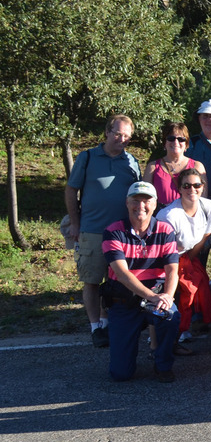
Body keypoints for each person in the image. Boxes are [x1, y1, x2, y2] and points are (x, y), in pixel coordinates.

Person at [66, 114, 141, 347]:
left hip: (122, 234)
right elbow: (71, 190)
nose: (122, 139)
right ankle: (95, 327)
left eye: (127, 136)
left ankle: (109, 322)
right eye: (118, 133)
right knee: (91, 280)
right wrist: (76, 223)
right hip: (92, 230)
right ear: (107, 132)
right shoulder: (87, 157)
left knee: (118, 280)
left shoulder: (132, 162)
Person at [101, 182, 180, 382]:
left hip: (155, 297)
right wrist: (153, 296)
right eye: (136, 200)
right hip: (124, 301)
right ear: (127, 203)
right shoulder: (113, 231)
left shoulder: (165, 230)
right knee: (120, 374)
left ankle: (163, 364)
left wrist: (167, 298)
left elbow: (173, 270)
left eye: (146, 201)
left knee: (171, 316)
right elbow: (122, 274)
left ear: (155, 205)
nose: (141, 206)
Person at [155, 168, 211, 352]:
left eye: (197, 185)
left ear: (203, 186)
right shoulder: (168, 215)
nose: (192, 189)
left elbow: (206, 235)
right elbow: (164, 250)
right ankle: (168, 339)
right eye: (187, 185)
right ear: (179, 188)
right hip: (167, 258)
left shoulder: (210, 207)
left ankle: (183, 330)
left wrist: (189, 260)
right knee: (182, 293)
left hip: (190, 254)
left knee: (198, 288)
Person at [143, 122, 204, 207]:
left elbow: (203, 199)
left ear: (186, 144)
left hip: (189, 216)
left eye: (181, 139)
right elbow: (145, 198)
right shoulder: (153, 167)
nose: (176, 142)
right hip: (162, 217)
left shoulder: (197, 166)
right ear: (164, 143)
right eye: (171, 138)